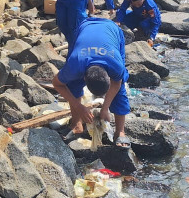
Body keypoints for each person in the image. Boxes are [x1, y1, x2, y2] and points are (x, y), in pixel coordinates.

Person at [51, 17, 131, 148]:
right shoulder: (75, 64)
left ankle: (120, 131)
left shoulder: (116, 65)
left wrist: (105, 108)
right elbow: (57, 83)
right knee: (72, 84)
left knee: (120, 89)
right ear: (84, 78)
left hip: (112, 30)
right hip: (85, 27)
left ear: (108, 76)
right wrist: (79, 107)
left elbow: (117, 84)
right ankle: (76, 125)